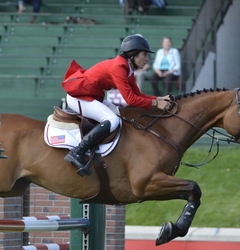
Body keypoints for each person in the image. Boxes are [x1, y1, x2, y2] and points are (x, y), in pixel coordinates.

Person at [61, 34, 168, 176]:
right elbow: (131, 100)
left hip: (91, 96)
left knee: (119, 114)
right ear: (133, 55)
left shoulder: (127, 69)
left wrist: (160, 99)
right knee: (112, 120)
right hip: (78, 97)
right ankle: (77, 152)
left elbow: (139, 95)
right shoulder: (119, 67)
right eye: (144, 54)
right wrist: (156, 103)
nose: (147, 59)